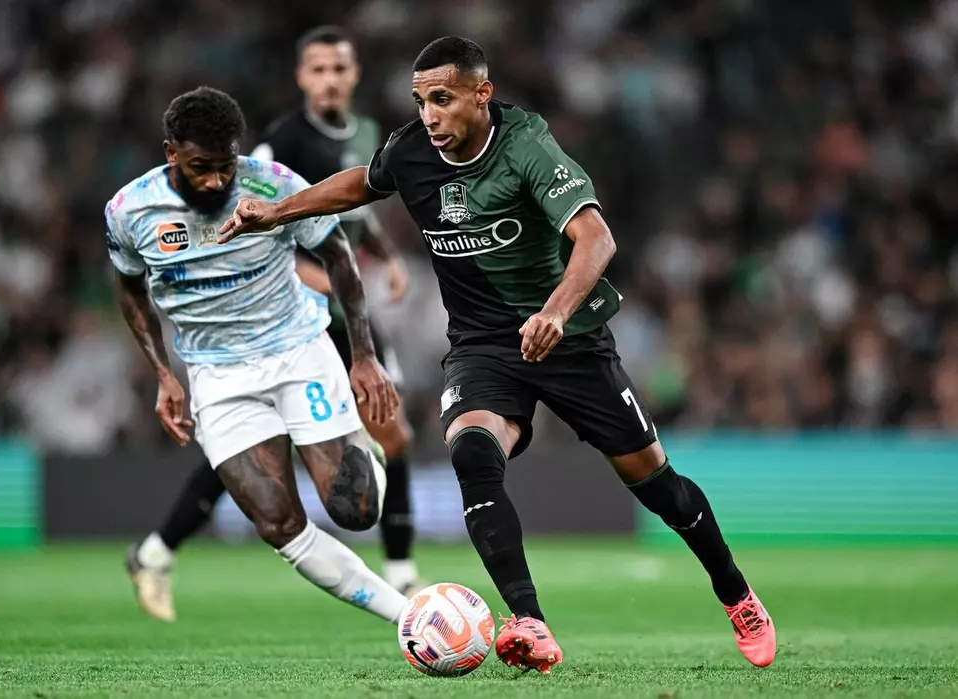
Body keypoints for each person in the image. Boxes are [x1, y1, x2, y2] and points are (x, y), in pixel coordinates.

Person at [217, 37, 777, 673]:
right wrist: (278, 212)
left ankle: (737, 594)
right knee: (473, 456)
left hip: (570, 340)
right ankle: (529, 622)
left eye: (442, 99)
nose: (429, 115)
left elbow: (596, 238)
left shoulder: (526, 147)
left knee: (659, 488)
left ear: (481, 94)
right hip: (482, 346)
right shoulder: (410, 151)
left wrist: (555, 313)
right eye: (421, 102)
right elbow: (359, 185)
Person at [125, 28, 424, 624]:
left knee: (384, 440)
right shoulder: (277, 148)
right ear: (301, 77)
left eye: (339, 68)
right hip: (294, 315)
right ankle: (402, 576)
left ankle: (157, 550)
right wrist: (311, 278)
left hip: (336, 309)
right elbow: (253, 232)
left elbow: (347, 207)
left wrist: (386, 254)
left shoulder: (365, 133)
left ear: (355, 73)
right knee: (279, 455)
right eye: (318, 69)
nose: (330, 80)